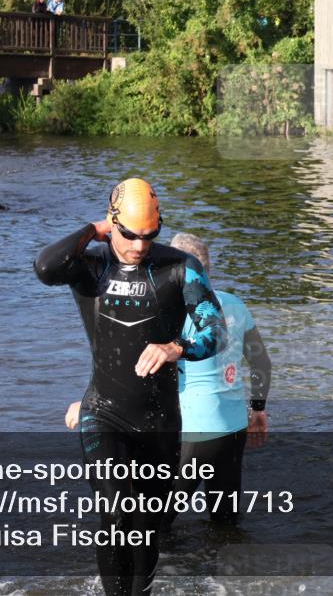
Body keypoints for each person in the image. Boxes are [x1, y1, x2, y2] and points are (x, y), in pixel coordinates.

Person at [35, 178, 227, 596]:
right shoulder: (90, 265)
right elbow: (45, 267)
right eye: (129, 235)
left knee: (146, 529)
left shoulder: (179, 267)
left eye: (149, 235)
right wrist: (92, 230)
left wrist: (177, 347)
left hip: (158, 419)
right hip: (103, 410)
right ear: (112, 223)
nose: (139, 246)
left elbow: (216, 330)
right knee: (115, 510)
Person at [161, 233, 271, 529]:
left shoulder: (171, 312)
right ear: (207, 269)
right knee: (225, 525)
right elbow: (261, 361)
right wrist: (258, 410)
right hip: (234, 429)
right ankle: (223, 573)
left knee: (154, 525)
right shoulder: (234, 303)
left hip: (194, 430)